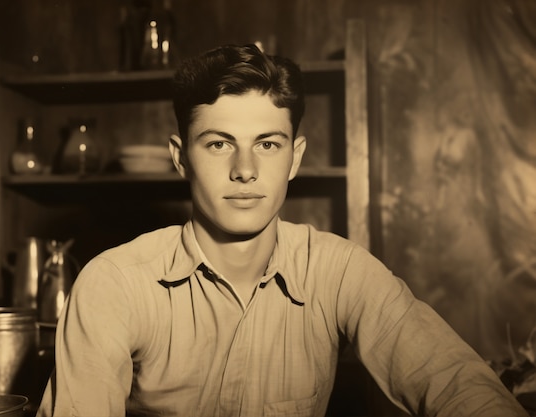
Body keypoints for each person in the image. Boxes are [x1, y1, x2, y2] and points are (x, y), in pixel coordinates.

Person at [36, 44, 527, 417]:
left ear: (295, 157)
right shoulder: (114, 284)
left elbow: (453, 379)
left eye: (268, 144)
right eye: (218, 144)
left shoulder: (339, 270)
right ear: (180, 157)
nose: (245, 170)